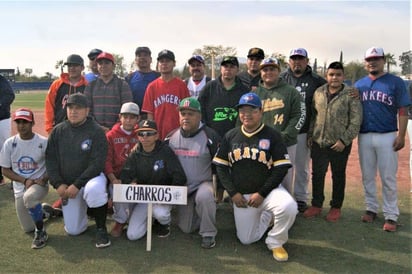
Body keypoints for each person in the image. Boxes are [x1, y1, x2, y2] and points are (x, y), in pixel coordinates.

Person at [213, 93, 297, 262]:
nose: (247, 114)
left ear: (261, 111)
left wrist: (262, 193)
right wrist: (233, 193)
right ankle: (266, 216)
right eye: (242, 110)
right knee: (246, 239)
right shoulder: (231, 135)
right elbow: (221, 167)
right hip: (242, 196)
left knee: (289, 206)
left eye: (252, 110)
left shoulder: (273, 135)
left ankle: (276, 241)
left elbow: (281, 169)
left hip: (268, 192)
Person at [355, 47, 410, 232]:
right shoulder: (359, 84)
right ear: (365, 62)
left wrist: (401, 135)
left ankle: (391, 214)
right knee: (368, 175)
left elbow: (403, 109)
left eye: (376, 59)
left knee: (388, 177)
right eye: (369, 59)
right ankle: (371, 208)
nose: (372, 62)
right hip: (364, 135)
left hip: (387, 135)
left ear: (383, 60)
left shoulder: (395, 82)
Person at [46, 93, 111, 248]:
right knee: (74, 230)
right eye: (70, 107)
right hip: (68, 186)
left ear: (87, 111)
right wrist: (58, 184)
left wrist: (78, 184)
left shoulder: (96, 131)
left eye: (78, 108)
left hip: (90, 180)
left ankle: (101, 229)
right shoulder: (58, 131)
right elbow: (50, 160)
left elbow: (97, 164)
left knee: (94, 190)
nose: (73, 111)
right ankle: (81, 212)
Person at [304, 61, 362, 222]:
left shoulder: (350, 94)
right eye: (331, 74)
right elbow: (313, 116)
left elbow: (356, 121)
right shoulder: (318, 92)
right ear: (326, 76)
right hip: (319, 142)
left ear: (343, 76)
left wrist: (344, 140)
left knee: (338, 175)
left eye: (338, 74)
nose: (334, 77)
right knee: (317, 174)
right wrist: (310, 135)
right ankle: (316, 204)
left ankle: (336, 207)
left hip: (339, 144)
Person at [166, 97, 221, 248]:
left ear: (199, 116)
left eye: (191, 114)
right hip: (182, 189)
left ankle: (209, 233)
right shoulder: (171, 137)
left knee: (205, 196)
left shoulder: (210, 136)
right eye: (183, 113)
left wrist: (220, 189)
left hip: (204, 184)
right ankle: (201, 212)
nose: (186, 117)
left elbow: (221, 166)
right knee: (186, 228)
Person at [119, 120, 187, 240]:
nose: (145, 137)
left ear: (156, 135)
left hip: (162, 197)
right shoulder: (135, 153)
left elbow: (179, 176)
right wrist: (131, 183)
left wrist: (169, 196)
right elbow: (125, 175)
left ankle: (164, 224)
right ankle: (149, 220)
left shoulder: (165, 151)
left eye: (149, 133)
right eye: (141, 134)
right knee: (132, 235)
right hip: (144, 198)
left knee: (161, 214)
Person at [280, 48, 327, 212]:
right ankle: (283, 197)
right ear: (289, 61)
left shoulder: (316, 80)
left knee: (302, 167)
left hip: (304, 131)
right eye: (294, 59)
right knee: (284, 166)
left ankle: (300, 198)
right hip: (283, 131)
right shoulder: (282, 78)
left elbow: (332, 92)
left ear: (307, 61)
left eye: (300, 59)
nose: (297, 62)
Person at [198, 56, 249, 202]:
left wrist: (236, 135)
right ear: (221, 69)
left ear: (237, 70)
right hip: (211, 135)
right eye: (225, 66)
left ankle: (235, 196)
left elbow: (246, 114)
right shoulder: (210, 87)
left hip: (236, 136)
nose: (228, 69)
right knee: (215, 167)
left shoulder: (243, 90)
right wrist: (207, 132)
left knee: (235, 167)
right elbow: (200, 110)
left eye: (232, 67)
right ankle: (217, 197)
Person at [254, 57, 305, 194]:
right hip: (259, 143)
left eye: (272, 69)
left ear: (279, 71)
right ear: (261, 72)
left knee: (285, 179)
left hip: (285, 144)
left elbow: (299, 116)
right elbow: (244, 119)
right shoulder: (255, 93)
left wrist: (284, 136)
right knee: (260, 178)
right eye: (265, 69)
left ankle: (284, 212)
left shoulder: (291, 92)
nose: (268, 72)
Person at [0, 108, 49, 249]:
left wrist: (44, 178)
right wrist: (24, 181)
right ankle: (45, 211)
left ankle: (41, 232)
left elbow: (53, 165)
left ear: (32, 123)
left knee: (29, 198)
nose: (21, 125)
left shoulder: (42, 142)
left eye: (25, 122)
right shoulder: (9, 143)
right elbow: (5, 170)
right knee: (28, 228)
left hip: (39, 184)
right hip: (21, 187)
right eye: (19, 122)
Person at [105, 102, 140, 237]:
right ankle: (120, 222)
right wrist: (113, 179)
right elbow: (106, 160)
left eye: (132, 117)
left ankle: (130, 218)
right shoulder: (111, 135)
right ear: (120, 117)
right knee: (119, 191)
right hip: (116, 177)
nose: (128, 120)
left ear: (137, 119)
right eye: (125, 116)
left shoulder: (141, 135)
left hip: (134, 178)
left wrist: (136, 179)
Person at [142, 49, 190, 140]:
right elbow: (150, 115)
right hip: (158, 136)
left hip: (178, 135)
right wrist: (152, 134)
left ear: (174, 63)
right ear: (158, 64)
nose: (164, 64)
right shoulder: (152, 86)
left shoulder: (181, 85)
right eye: (161, 61)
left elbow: (187, 111)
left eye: (168, 61)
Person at [84, 52, 133, 132]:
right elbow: (86, 109)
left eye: (107, 63)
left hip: (118, 131)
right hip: (95, 131)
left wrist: (113, 129)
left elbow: (127, 110)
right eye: (100, 63)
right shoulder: (91, 86)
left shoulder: (122, 85)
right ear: (97, 66)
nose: (103, 66)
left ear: (113, 66)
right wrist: (97, 127)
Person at [44, 54, 87, 134]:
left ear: (82, 67)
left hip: (82, 129)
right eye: (69, 65)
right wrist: (49, 128)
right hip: (60, 128)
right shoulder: (57, 84)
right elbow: (49, 106)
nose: (72, 68)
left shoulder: (87, 85)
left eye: (75, 65)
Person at [125, 46, 160, 117]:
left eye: (145, 55)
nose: (142, 58)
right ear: (135, 60)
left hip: (155, 115)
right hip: (134, 117)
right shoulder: (129, 78)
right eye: (139, 56)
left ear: (150, 59)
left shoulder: (158, 76)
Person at [0, 74, 15, 185]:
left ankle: (15, 179)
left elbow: (10, 95)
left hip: (2, 119)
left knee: (5, 148)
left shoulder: (1, 79)